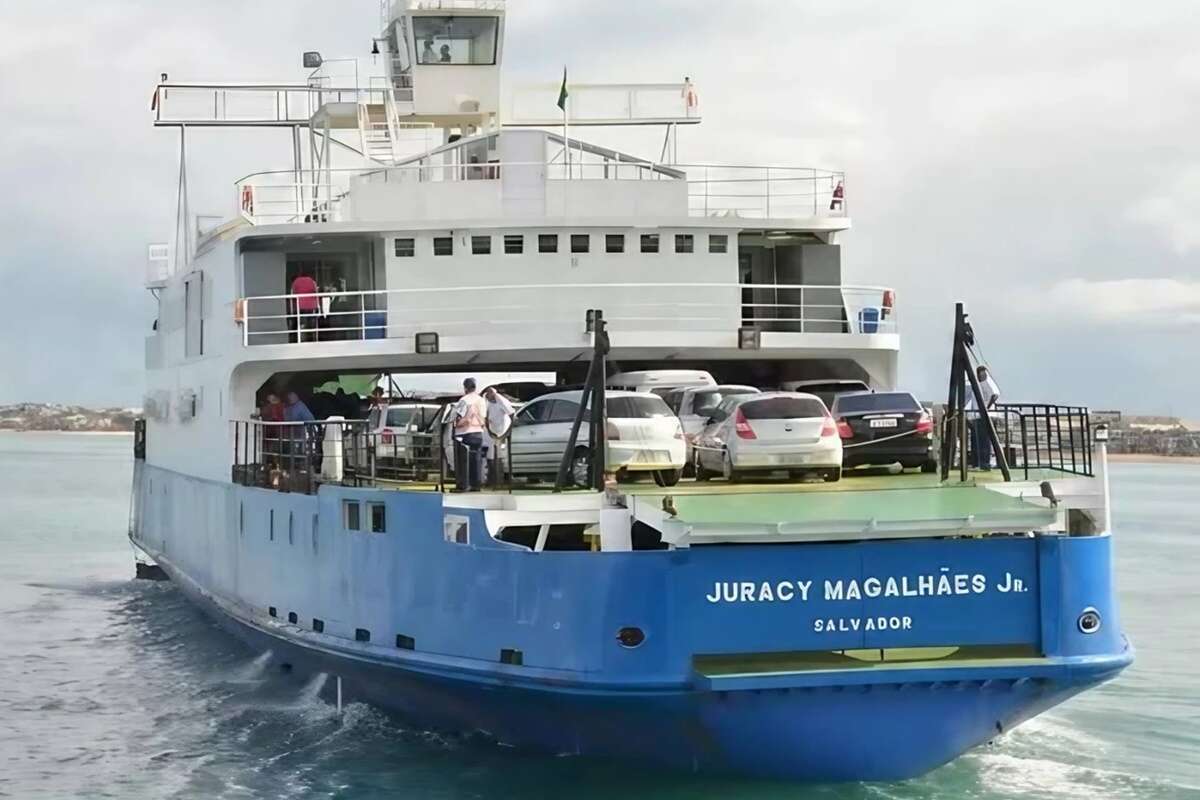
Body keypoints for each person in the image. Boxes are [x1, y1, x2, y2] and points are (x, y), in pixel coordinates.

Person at [452, 378, 487, 491]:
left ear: (465, 387)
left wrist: (456, 423)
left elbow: (459, 418)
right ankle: (476, 484)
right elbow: (484, 417)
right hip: (478, 432)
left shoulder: (464, 400)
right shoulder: (481, 400)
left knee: (463, 461)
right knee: (476, 460)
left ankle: (463, 484)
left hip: (465, 433)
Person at [966, 366, 1001, 470]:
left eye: (983, 373)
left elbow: (995, 395)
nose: (981, 375)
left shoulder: (987, 382)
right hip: (977, 416)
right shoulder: (976, 384)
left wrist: (986, 408)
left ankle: (985, 463)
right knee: (977, 440)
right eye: (979, 373)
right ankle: (977, 463)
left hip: (986, 415)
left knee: (985, 440)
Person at [481, 387, 516, 484]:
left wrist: (507, 432)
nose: (489, 396)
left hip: (500, 431)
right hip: (490, 430)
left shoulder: (501, 400)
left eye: (491, 394)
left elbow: (512, 414)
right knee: (489, 455)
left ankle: (499, 480)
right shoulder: (484, 399)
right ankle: (491, 479)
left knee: (499, 456)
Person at [290, 272, 320, 342]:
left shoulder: (296, 281)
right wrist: (318, 307)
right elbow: (316, 293)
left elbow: (293, 293)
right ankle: (312, 339)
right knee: (311, 325)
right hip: (311, 306)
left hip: (300, 306)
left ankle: (300, 340)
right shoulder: (312, 281)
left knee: (300, 324)